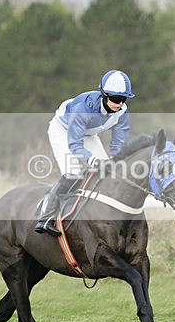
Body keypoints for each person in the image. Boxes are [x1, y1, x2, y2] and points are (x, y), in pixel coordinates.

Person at [34, 69, 134, 236]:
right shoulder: (83, 108)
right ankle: (45, 216)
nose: (120, 104)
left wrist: (118, 161)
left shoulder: (122, 112)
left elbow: (118, 145)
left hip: (88, 133)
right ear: (104, 95)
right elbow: (75, 145)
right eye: (116, 99)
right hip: (63, 130)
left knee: (109, 173)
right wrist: (93, 160)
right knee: (73, 174)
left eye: (124, 99)